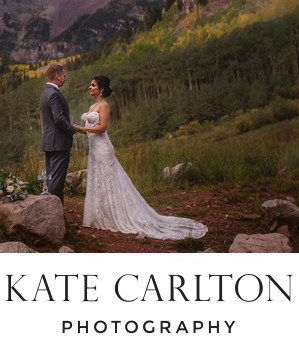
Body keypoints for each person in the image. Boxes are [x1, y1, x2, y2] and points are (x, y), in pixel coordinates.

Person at [73, 75, 207, 240]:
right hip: (94, 149)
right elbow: (89, 128)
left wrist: (82, 128)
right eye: (90, 85)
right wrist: (78, 130)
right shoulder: (92, 106)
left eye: (92, 85)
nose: (89, 87)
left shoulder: (104, 106)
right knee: (98, 181)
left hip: (103, 148)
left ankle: (117, 215)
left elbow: (102, 128)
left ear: (101, 89)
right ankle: (100, 215)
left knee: (109, 182)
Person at [39, 64, 79, 203]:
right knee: (56, 182)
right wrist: (72, 129)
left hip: (49, 142)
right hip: (59, 144)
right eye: (64, 76)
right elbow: (58, 119)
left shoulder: (45, 93)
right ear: (57, 76)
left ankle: (58, 216)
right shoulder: (54, 94)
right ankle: (53, 217)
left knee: (52, 179)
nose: (65, 79)